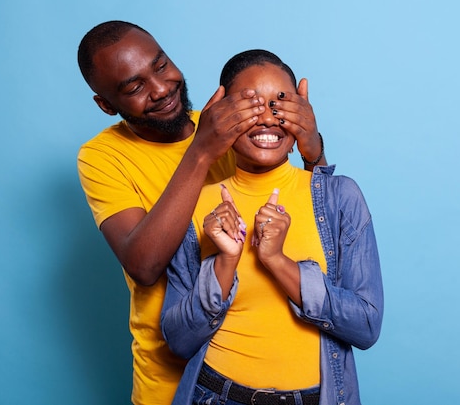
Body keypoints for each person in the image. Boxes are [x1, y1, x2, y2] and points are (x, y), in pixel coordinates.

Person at [76, 21, 327, 405]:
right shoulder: (102, 157)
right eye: (134, 86)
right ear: (107, 104)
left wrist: (314, 151)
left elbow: (315, 216)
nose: (161, 89)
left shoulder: (229, 123)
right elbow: (143, 266)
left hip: (253, 373)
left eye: (161, 66)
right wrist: (201, 150)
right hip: (169, 381)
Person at [161, 50, 383, 405]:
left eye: (280, 105)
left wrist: (278, 262)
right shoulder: (193, 207)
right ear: (222, 113)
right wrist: (224, 262)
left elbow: (366, 326)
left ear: (301, 115)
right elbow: (178, 340)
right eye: (250, 105)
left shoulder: (340, 197)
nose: (266, 118)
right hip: (214, 394)